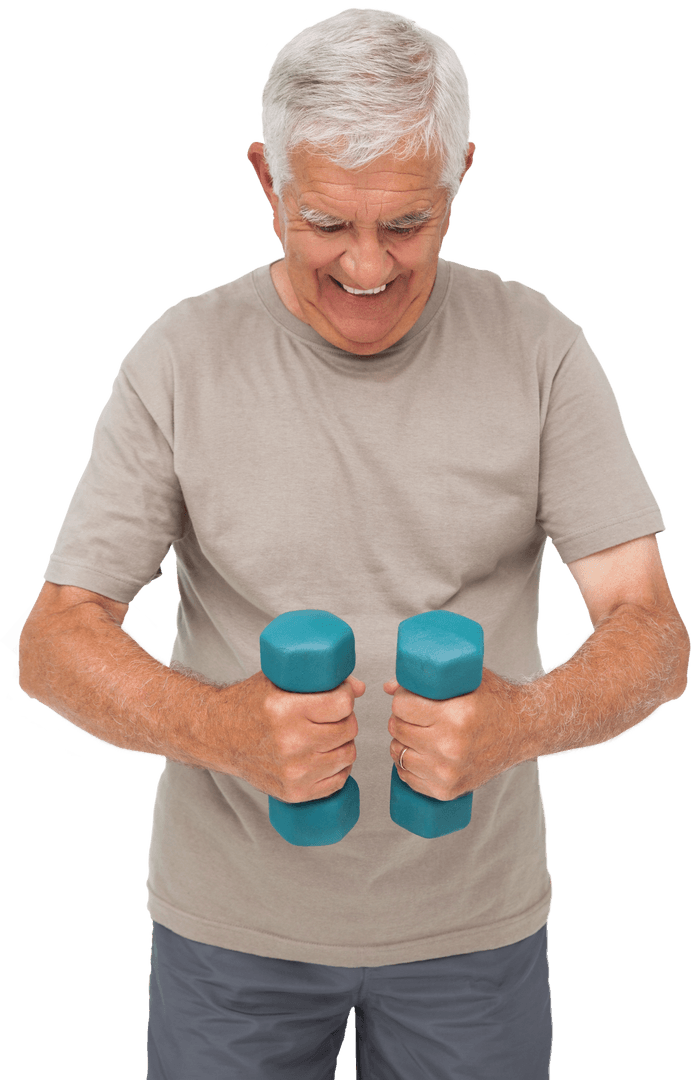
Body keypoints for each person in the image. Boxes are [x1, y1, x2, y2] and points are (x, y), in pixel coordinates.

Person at [17, 8, 688, 1079]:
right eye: (326, 220)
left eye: (408, 223)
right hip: (229, 935)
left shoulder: (541, 349)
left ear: (460, 176)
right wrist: (220, 729)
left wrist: (522, 722)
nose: (367, 265)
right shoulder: (181, 357)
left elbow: (649, 629)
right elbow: (57, 638)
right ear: (266, 180)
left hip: (474, 936)